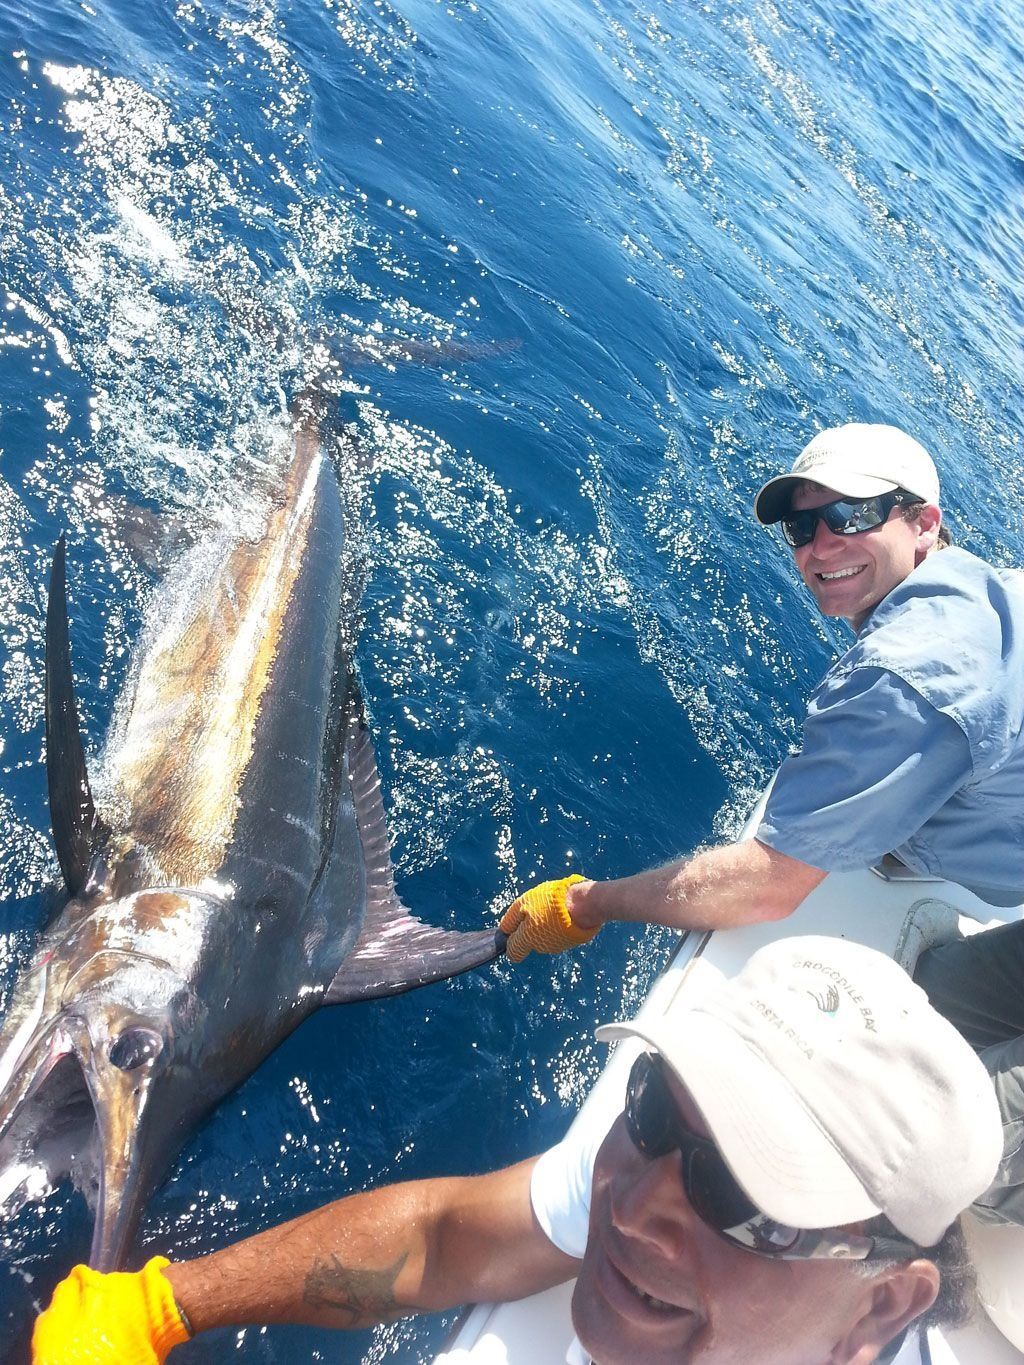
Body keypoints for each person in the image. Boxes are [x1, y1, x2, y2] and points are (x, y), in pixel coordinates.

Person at [499, 422, 1024, 1224]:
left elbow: (766, 886)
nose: (820, 545)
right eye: (802, 526)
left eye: (850, 515)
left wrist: (584, 903)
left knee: (924, 1160)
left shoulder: (908, 674)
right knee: (933, 1008)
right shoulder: (978, 591)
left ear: (924, 522)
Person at [32, 936, 1002, 1365]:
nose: (635, 1208)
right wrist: (161, 1306)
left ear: (882, 1306)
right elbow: (444, 1236)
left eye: (743, 1197)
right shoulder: (636, 1175)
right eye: (653, 1108)